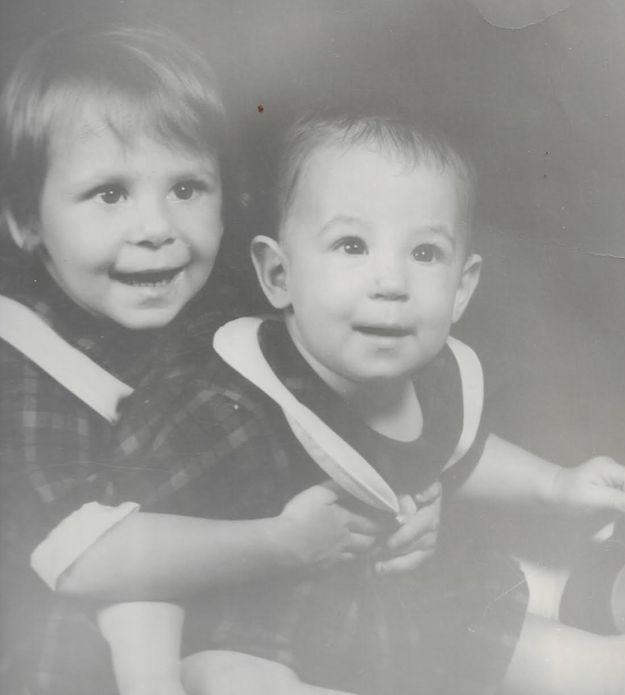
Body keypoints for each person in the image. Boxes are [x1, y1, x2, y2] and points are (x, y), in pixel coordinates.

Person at [97, 110, 625, 695]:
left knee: (495, 618)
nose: (391, 281)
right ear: (280, 274)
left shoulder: (431, 376)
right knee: (231, 676)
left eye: (425, 254)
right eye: (351, 245)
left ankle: (582, 611)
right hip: (253, 629)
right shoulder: (230, 399)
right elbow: (138, 547)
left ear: (462, 289)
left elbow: (458, 449)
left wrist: (554, 484)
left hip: (399, 612)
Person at [0, 29, 416, 695]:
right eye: (110, 193)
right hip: (91, 632)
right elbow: (78, 558)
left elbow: (346, 423)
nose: (156, 226)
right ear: (26, 220)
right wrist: (285, 543)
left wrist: (407, 505)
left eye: (188, 188)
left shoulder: (229, 308)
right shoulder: (22, 355)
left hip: (256, 621)